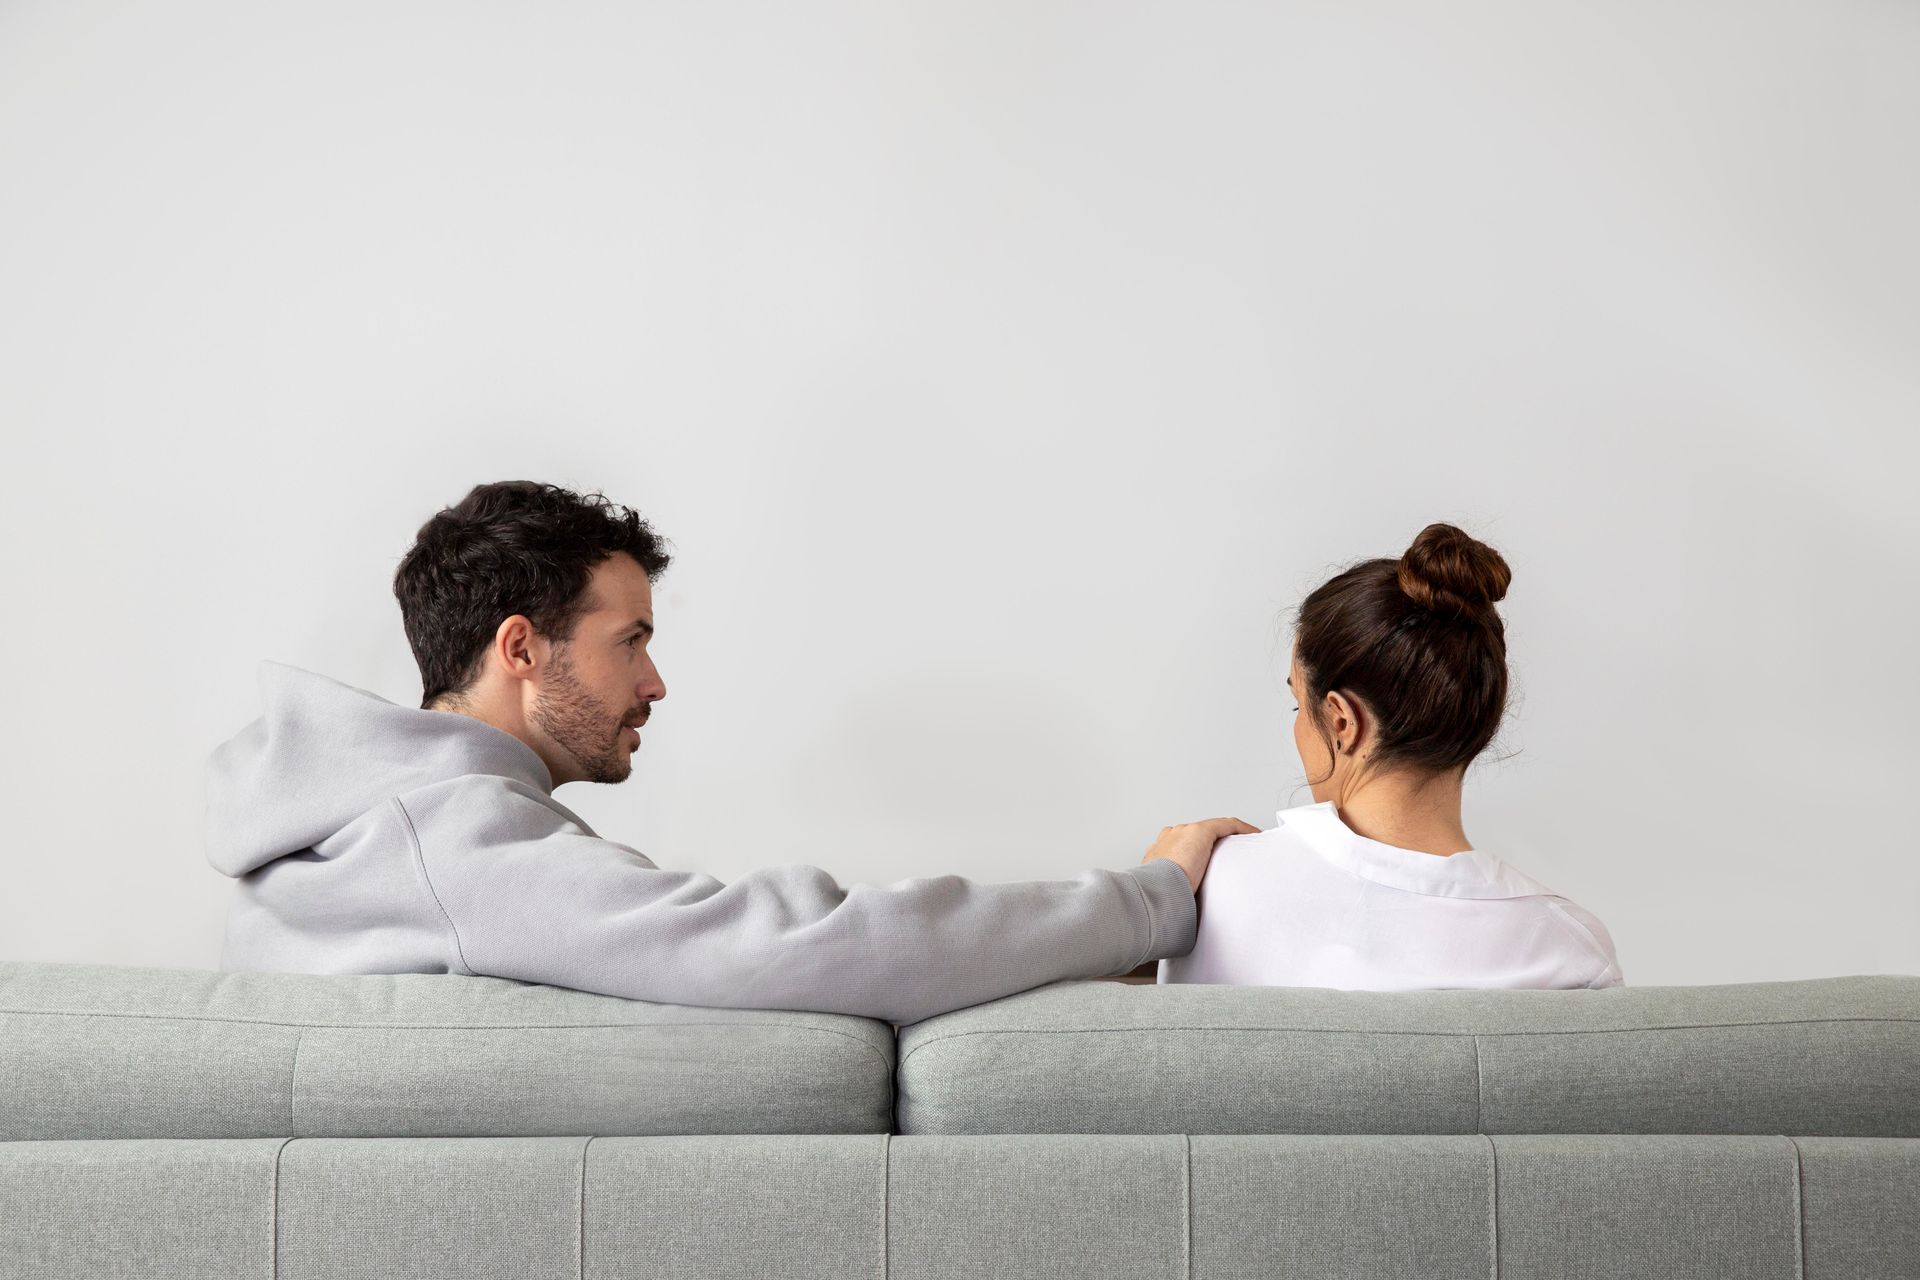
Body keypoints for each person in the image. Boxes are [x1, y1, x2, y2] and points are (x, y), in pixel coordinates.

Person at [206, 480, 1254, 1027]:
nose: (654, 683)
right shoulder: (447, 842)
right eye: (632, 641)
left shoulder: (358, 840)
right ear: (520, 647)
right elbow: (805, 944)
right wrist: (1147, 900)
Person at [1158, 522, 1624, 990]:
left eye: (1299, 704)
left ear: (1342, 721)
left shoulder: (1208, 890)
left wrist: (1155, 890)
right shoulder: (1571, 950)